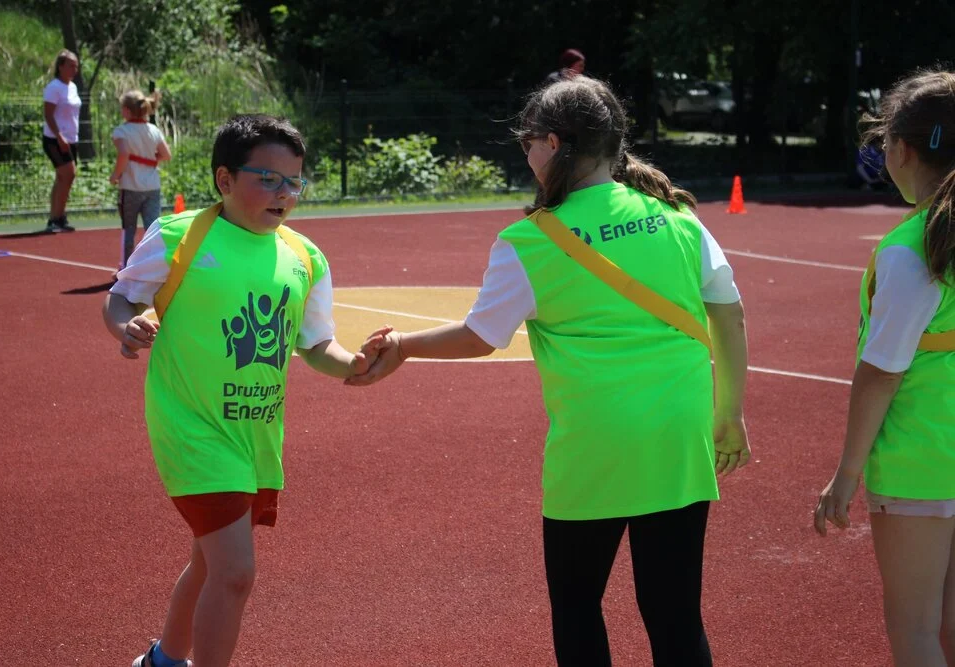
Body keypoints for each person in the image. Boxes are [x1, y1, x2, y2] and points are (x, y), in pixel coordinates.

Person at [349, 76, 751, 666]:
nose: (527, 154)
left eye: (528, 142)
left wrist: (404, 345)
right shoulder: (679, 219)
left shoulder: (529, 240)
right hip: (678, 432)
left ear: (556, 143)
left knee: (578, 604)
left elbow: (481, 337)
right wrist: (731, 414)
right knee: (674, 613)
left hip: (594, 444)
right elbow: (730, 315)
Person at [102, 114, 388, 667]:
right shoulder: (181, 236)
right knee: (236, 573)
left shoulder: (305, 258)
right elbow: (120, 300)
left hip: (254, 435)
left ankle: (163, 659)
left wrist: (352, 363)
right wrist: (127, 327)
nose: (285, 194)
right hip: (192, 427)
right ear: (225, 179)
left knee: (210, 565)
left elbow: (315, 345)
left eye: (294, 182)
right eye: (268, 178)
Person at [815, 69, 955, 667]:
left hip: (918, 462)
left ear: (899, 149)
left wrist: (846, 474)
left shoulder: (910, 248)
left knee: (916, 630)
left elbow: (882, 372)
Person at [109, 89, 171, 269]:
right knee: (152, 230)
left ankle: (126, 267)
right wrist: (149, 159)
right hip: (152, 186)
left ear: (127, 110)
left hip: (130, 187)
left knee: (128, 230)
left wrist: (116, 175)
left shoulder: (122, 131)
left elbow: (123, 154)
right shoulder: (153, 130)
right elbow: (166, 154)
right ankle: (155, 266)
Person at [41, 49, 81, 233]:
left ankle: (57, 216)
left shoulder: (72, 87)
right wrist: (59, 136)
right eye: (71, 66)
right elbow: (48, 114)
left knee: (63, 177)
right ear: (61, 66)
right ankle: (56, 218)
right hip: (55, 139)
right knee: (69, 173)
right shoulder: (54, 87)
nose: (75, 69)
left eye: (76, 66)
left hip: (72, 139)